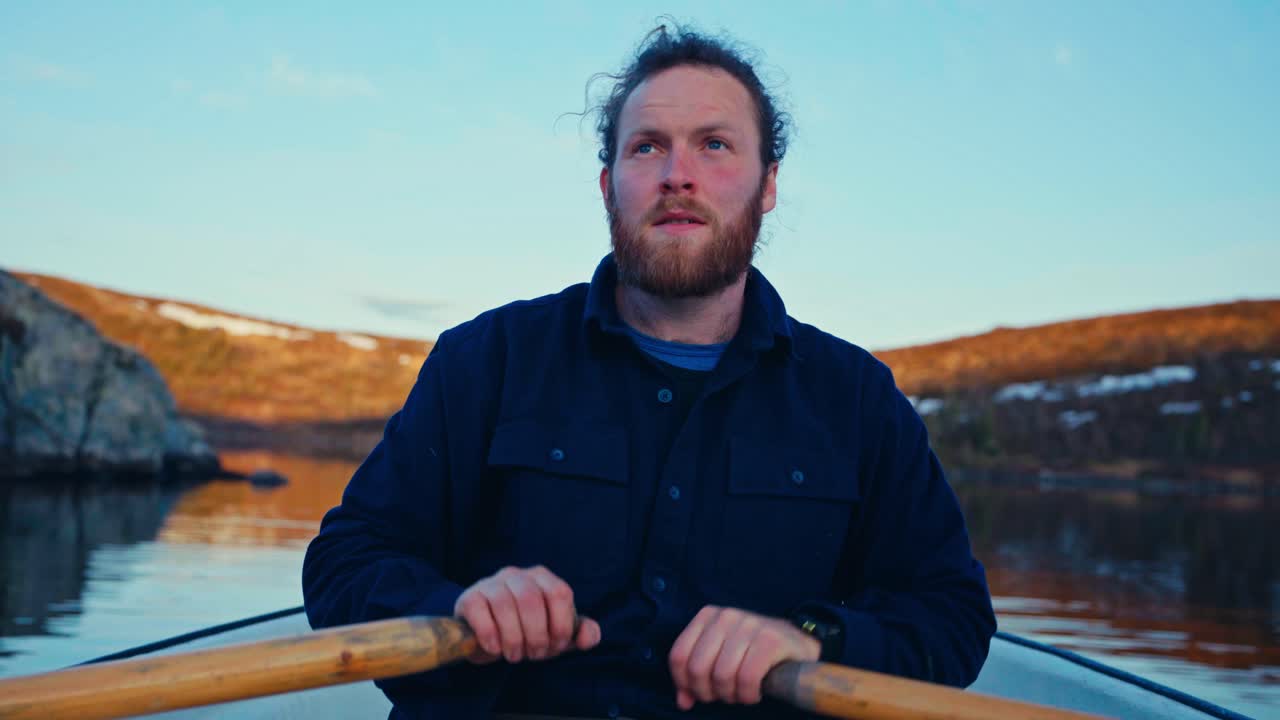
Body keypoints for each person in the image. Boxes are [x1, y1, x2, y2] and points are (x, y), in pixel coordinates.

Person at [303, 24, 996, 720]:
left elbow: (952, 617)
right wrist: (456, 608)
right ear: (609, 186)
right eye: (647, 147)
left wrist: (814, 636)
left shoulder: (858, 399)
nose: (678, 175)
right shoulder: (486, 359)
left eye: (715, 144)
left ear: (768, 187)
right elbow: (345, 564)